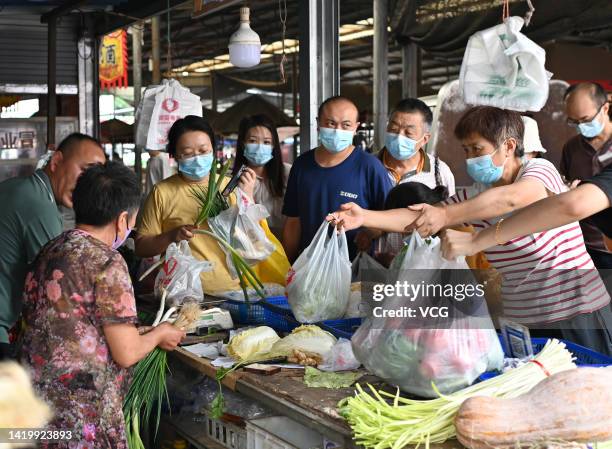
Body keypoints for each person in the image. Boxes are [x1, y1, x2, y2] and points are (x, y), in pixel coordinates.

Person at [329, 106, 611, 353]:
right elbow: (423, 218)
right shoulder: (476, 198)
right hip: (525, 322)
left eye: (478, 150)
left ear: (509, 146)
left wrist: (446, 215)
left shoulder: (539, 170)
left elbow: (512, 198)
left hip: (577, 313)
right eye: (466, 150)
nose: (471, 158)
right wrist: (364, 216)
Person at [19, 162, 186, 447]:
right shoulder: (106, 261)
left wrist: (140, 330)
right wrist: (160, 333)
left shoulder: (52, 248)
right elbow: (127, 353)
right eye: (132, 222)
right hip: (81, 415)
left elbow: (74, 325)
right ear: (122, 220)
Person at [136, 115, 289, 293]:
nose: (197, 158)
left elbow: (253, 242)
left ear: (213, 150)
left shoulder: (229, 186)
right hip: (183, 293)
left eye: (203, 151)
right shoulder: (161, 193)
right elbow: (141, 247)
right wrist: (172, 236)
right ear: (174, 155)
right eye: (187, 153)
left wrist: (247, 199)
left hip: (232, 290)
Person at [0, 133, 105, 359]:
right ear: (56, 162)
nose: (89, 185)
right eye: (85, 171)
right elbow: (62, 286)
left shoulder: (18, 188)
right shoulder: (38, 205)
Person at [282, 96, 392, 262]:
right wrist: (286, 266)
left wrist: (369, 232)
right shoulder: (301, 165)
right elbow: (293, 223)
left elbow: (388, 220)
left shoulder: (370, 167)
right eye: (331, 123)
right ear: (318, 124)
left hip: (355, 270)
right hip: (307, 267)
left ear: (356, 128)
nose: (337, 130)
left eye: (346, 125)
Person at [355, 98, 456, 252]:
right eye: (394, 129)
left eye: (408, 133)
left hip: (421, 267)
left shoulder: (440, 173)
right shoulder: (367, 167)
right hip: (373, 266)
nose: (399, 136)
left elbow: (450, 221)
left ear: (425, 139)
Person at [560, 82, 612, 268]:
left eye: (585, 119)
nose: (581, 126)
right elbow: (565, 184)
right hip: (581, 245)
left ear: (605, 108)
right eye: (574, 121)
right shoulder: (572, 148)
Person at [232, 114, 291, 240]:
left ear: (274, 145)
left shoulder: (289, 173)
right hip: (250, 248)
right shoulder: (231, 180)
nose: (259, 147)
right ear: (243, 144)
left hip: (286, 247)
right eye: (253, 141)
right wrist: (246, 195)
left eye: (266, 142)